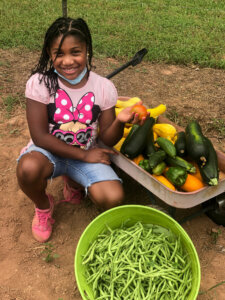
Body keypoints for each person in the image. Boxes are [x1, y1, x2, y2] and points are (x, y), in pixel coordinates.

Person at [16, 17, 147, 243]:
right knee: (28, 169)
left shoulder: (103, 87)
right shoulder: (40, 83)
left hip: (84, 153)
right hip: (49, 153)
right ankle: (44, 206)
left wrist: (120, 122)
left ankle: (73, 179)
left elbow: (107, 137)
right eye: (59, 53)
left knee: (113, 197)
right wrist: (85, 154)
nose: (68, 61)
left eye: (75, 52)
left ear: (87, 49)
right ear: (49, 53)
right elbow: (40, 136)